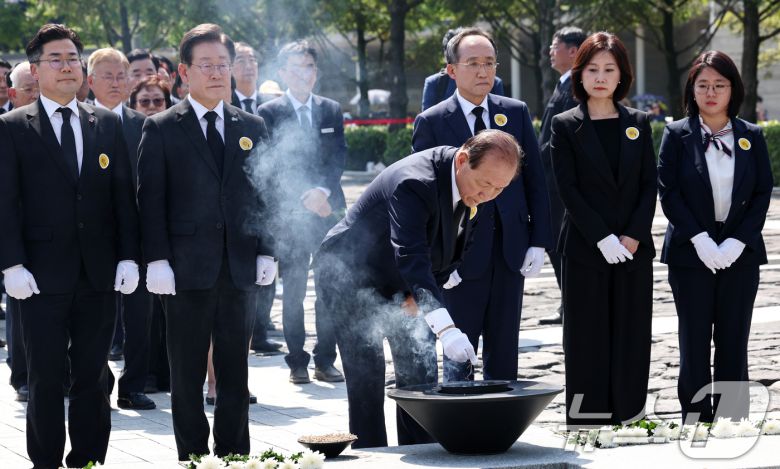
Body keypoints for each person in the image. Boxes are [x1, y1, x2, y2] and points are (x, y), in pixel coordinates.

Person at [314, 129, 519, 448]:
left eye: (500, 188)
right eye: (485, 184)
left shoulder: (474, 186)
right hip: (351, 275)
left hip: (407, 281)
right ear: (463, 161)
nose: (489, 194)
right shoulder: (415, 182)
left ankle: (421, 452)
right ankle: (373, 456)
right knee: (368, 377)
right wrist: (446, 328)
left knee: (420, 373)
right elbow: (411, 252)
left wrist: (417, 297)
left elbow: (450, 252)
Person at [0, 24, 140, 468]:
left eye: (72, 58)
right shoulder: (12, 127)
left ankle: (88, 460)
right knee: (43, 378)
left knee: (93, 377)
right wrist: (11, 264)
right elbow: (4, 202)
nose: (66, 66)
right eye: (55, 59)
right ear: (36, 69)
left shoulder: (108, 124)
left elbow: (123, 196)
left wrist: (129, 256)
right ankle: (45, 461)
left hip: (98, 275)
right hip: (38, 276)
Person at [137, 23, 275, 461]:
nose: (217, 73)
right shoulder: (161, 128)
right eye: (206, 65)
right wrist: (156, 260)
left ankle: (234, 454)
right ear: (184, 71)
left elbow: (265, 193)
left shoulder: (251, 124)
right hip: (183, 268)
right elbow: (150, 200)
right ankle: (192, 454)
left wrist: (268, 249)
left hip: (238, 267)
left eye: (223, 64)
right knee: (187, 370)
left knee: (235, 369)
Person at [412, 28, 552, 382]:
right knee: (461, 349)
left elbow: (535, 178)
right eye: (473, 63)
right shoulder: (432, 121)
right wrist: (442, 254)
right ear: (451, 70)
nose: (483, 72)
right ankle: (461, 426)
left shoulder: (515, 112)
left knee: (504, 347)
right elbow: (427, 194)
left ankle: (501, 425)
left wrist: (538, 240)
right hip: (460, 256)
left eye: (489, 63)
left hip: (510, 249)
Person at [658, 51, 772, 424]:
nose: (711, 92)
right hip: (691, 255)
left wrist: (739, 240)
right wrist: (700, 239)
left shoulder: (750, 135)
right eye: (703, 85)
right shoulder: (676, 135)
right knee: (693, 339)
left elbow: (761, 192)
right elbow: (669, 192)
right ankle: (695, 416)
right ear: (691, 89)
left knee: (734, 338)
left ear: (732, 89)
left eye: (719, 85)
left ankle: (732, 417)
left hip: (740, 254)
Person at [550, 32, 657, 429]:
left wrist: (631, 234)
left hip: (632, 249)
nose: (600, 77)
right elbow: (568, 188)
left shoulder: (639, 123)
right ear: (580, 74)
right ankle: (588, 422)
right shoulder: (565, 125)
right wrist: (602, 236)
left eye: (609, 69)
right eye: (592, 69)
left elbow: (649, 184)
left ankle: (629, 417)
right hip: (584, 248)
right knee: (585, 338)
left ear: (621, 75)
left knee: (631, 333)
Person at [257, 40, 345, 384]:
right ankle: (297, 361)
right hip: (290, 215)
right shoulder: (269, 113)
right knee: (293, 290)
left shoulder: (331, 109)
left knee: (330, 287)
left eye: (308, 67)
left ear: (316, 72)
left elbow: (338, 155)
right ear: (282, 74)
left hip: (327, 210)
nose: (303, 74)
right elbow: (269, 166)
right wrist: (300, 197)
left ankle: (326, 359)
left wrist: (322, 191)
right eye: (295, 68)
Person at [87, 47, 156, 411]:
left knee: (139, 316)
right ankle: (97, 382)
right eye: (107, 76)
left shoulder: (143, 125)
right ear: (90, 80)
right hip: (93, 236)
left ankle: (134, 385)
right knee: (95, 316)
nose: (115, 83)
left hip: (138, 235)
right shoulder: (81, 121)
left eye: (121, 76)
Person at [537, 26, 586, 326]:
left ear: (573, 50)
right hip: (550, 179)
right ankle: (569, 302)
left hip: (561, 181)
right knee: (554, 244)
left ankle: (573, 303)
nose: (550, 52)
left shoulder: (577, 87)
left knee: (561, 244)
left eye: (556, 46)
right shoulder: (563, 84)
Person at [4, 60, 40, 402]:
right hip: (20, 236)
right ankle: (24, 374)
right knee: (20, 309)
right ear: (13, 94)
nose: (36, 93)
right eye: (28, 89)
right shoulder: (8, 128)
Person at [421, 28, 503, 111]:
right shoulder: (435, 83)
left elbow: (501, 111)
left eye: (489, 63)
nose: (482, 74)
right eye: (473, 64)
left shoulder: (494, 83)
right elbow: (429, 116)